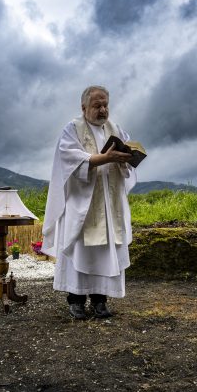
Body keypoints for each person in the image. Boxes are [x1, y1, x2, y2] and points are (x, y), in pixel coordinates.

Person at [41, 85, 137, 320]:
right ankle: (75, 301)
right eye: (97, 106)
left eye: (105, 105)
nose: (103, 110)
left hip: (109, 202)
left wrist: (126, 158)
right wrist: (104, 158)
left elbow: (127, 162)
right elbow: (69, 159)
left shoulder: (116, 130)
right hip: (81, 204)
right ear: (84, 108)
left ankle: (100, 300)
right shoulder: (72, 129)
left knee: (105, 252)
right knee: (81, 251)